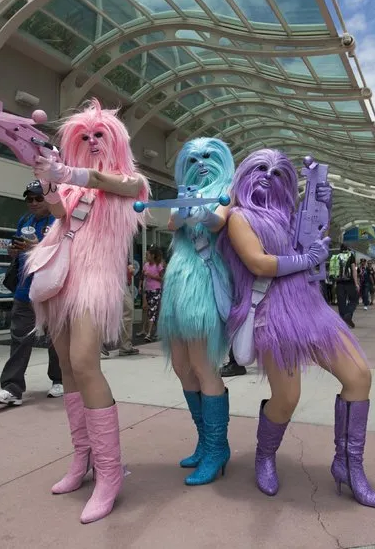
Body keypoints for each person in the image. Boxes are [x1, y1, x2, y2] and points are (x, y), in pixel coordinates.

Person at [218, 149, 375, 509]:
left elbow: (315, 240)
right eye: (261, 168)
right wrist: (305, 259)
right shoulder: (238, 217)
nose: (268, 176)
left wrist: (323, 205)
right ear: (247, 173)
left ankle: (348, 465)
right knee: (287, 398)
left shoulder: (291, 215)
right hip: (274, 314)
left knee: (358, 376)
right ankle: (264, 456)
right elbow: (258, 263)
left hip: (313, 309)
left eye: (278, 173)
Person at [26, 98, 148, 524]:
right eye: (86, 136)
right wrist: (47, 182)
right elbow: (59, 213)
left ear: (114, 140)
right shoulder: (74, 186)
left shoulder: (131, 181)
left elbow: (104, 180)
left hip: (95, 281)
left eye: (101, 134)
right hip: (60, 276)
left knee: (84, 361)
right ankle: (83, 461)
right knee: (67, 365)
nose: (93, 141)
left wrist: (65, 173)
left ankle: (110, 473)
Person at [157, 137, 234, 486]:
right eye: (193, 157)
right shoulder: (184, 191)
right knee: (180, 366)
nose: (202, 162)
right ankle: (205, 442)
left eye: (208, 156)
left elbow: (218, 221)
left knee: (204, 366)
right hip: (177, 285)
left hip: (203, 282)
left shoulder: (227, 190)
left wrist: (199, 211)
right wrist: (184, 206)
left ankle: (217, 448)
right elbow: (172, 224)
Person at [0, 182, 62, 407]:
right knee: (19, 338)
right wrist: (14, 250)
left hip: (51, 290)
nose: (33, 203)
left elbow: (64, 253)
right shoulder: (24, 221)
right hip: (24, 289)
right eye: (29, 199)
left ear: (49, 199)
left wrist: (37, 247)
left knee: (56, 339)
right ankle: (12, 388)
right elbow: (19, 250)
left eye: (38, 198)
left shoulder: (60, 221)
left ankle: (60, 379)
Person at [329, 244, 359, 328]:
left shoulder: (336, 256)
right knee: (354, 299)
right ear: (348, 249)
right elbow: (353, 270)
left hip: (339, 283)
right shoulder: (351, 255)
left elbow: (333, 270)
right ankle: (348, 315)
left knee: (341, 302)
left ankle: (343, 322)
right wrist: (356, 283)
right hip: (350, 282)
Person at [140, 246, 164, 342]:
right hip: (148, 290)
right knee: (151, 311)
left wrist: (152, 276)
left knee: (152, 311)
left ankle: (149, 334)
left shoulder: (159, 266)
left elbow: (163, 278)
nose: (146, 256)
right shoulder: (145, 265)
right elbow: (142, 276)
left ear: (153, 255)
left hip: (156, 290)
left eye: (148, 254)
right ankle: (157, 331)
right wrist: (141, 286)